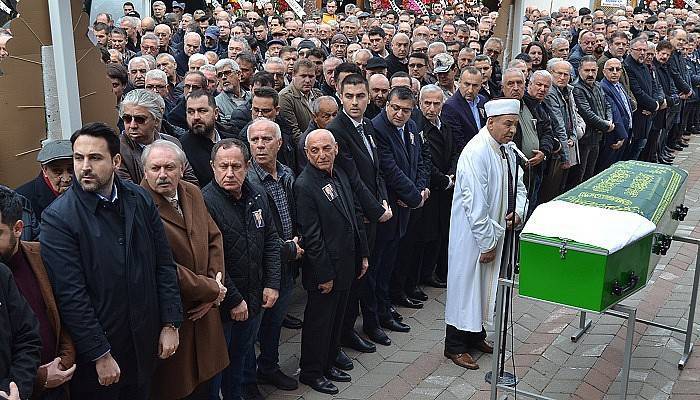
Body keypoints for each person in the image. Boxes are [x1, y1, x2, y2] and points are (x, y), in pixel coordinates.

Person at [40, 122, 183, 399]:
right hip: (101, 360)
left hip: (144, 345)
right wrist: (99, 353)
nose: (84, 167)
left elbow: (163, 264)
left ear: (115, 161)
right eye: (78, 158)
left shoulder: (139, 198)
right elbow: (71, 295)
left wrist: (170, 323)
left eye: (95, 158)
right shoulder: (58, 218)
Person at [140, 140, 229, 400]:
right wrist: (210, 289)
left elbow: (214, 237)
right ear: (144, 171)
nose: (163, 174)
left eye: (170, 167)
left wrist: (215, 287)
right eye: (155, 168)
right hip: (178, 315)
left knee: (209, 385)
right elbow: (162, 266)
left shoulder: (191, 192)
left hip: (207, 313)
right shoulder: (139, 205)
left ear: (182, 169)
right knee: (179, 388)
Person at [445, 98, 527, 370]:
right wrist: (487, 242)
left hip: (497, 232)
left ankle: (475, 335)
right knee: (467, 287)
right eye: (507, 124)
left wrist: (518, 212)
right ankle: (455, 346)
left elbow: (520, 187)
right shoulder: (476, 152)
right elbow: (474, 204)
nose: (512, 129)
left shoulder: (507, 150)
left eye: (514, 124)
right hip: (474, 237)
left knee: (485, 287)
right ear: (491, 122)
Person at [202, 138, 281, 400]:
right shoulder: (205, 202)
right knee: (218, 370)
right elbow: (210, 259)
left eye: (236, 166)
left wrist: (272, 282)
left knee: (239, 363)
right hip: (225, 304)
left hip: (255, 296)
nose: (229, 173)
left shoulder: (257, 194)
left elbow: (270, 239)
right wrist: (235, 299)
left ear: (247, 166)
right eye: (223, 166)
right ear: (212, 166)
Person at [295, 129, 369, 395]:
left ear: (336, 148)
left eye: (326, 148)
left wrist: (362, 254)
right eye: (314, 150)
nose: (321, 155)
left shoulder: (338, 174)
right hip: (324, 271)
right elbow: (312, 237)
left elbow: (353, 215)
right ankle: (312, 372)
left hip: (346, 263)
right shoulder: (304, 185)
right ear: (307, 153)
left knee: (337, 319)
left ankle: (328, 361)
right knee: (319, 322)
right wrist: (324, 274)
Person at [326, 74, 392, 357]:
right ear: (341, 96)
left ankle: (357, 327)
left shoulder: (366, 124)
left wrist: (384, 199)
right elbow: (351, 178)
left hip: (373, 211)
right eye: (349, 96)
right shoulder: (337, 129)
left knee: (367, 274)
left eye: (360, 96)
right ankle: (341, 335)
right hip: (355, 217)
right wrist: (377, 211)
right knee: (352, 280)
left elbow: (375, 170)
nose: (355, 102)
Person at [243, 119, 302, 397]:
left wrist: (297, 243)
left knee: (274, 324)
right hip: (263, 268)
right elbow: (255, 236)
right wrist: (287, 247)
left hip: (287, 265)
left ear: (279, 143)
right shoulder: (247, 182)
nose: (260, 145)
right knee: (251, 331)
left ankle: (269, 366)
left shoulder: (286, 173)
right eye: (254, 140)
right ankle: (247, 382)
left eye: (266, 139)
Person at [0, 187, 77, 400]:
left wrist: (65, 360)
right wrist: (39, 378)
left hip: (61, 383)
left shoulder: (42, 255)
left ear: (17, 228)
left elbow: (66, 312)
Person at [372, 86, 429, 333]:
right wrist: (414, 195)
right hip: (391, 207)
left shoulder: (413, 127)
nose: (399, 114)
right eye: (395, 108)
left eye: (406, 110)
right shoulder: (378, 128)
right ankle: (378, 313)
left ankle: (387, 306)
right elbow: (389, 169)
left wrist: (420, 188)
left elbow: (421, 160)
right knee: (380, 265)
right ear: (387, 105)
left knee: (392, 261)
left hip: (408, 205)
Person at [117, 89, 199, 186]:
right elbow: (131, 194)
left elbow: (192, 184)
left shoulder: (173, 143)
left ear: (156, 120)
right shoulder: (117, 150)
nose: (132, 125)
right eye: (127, 119)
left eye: (140, 119)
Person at [571, 56, 613, 187]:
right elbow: (587, 113)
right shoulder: (577, 89)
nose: (590, 74)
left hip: (597, 137)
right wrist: (606, 125)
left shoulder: (597, 85)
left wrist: (609, 120)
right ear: (579, 70)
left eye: (593, 70)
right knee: (579, 175)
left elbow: (607, 105)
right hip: (585, 139)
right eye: (587, 70)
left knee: (590, 174)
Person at [15, 140, 73, 221]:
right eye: (57, 171)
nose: (66, 179)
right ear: (44, 170)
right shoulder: (21, 201)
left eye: (71, 169)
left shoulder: (90, 188)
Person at [179, 90, 225, 187]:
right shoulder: (182, 149)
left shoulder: (231, 137)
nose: (196, 117)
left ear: (216, 113)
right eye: (191, 112)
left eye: (202, 111)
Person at [598, 58, 633, 172]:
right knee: (607, 168)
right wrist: (621, 135)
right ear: (604, 72)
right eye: (611, 69)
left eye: (617, 69)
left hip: (624, 131)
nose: (614, 72)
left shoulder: (619, 85)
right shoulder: (604, 86)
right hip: (614, 136)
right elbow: (615, 112)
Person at [442, 67, 486, 151]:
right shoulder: (450, 106)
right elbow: (457, 142)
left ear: (481, 85)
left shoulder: (482, 101)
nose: (470, 90)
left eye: (475, 85)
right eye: (467, 84)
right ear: (459, 82)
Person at [279, 59, 323, 143]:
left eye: (311, 76)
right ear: (293, 75)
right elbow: (294, 134)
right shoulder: (285, 97)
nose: (307, 80)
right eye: (303, 76)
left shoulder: (318, 94)